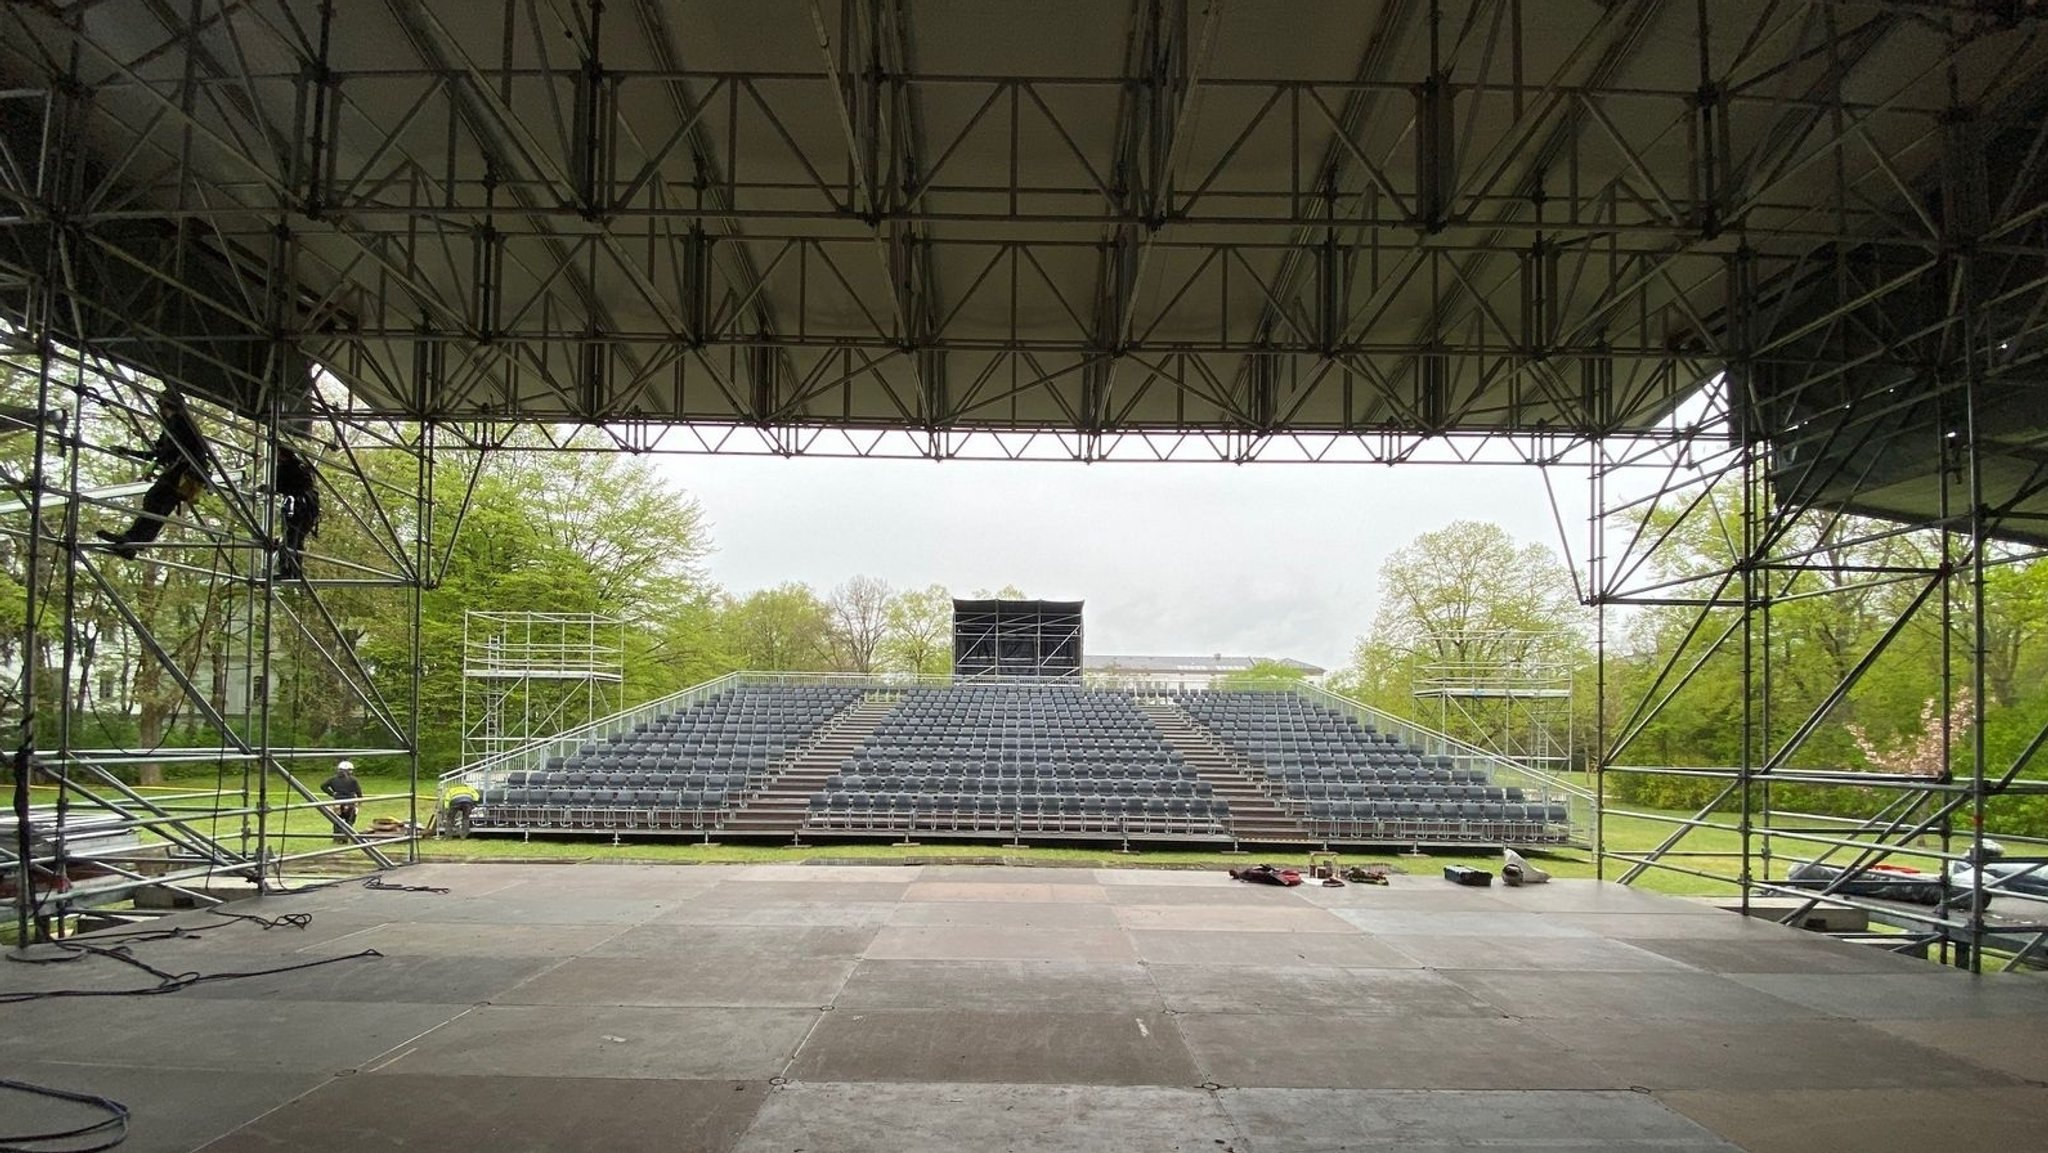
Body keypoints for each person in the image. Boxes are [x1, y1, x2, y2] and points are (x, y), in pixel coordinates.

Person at [96, 389, 212, 558]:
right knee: (158, 507)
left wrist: (152, 465)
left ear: (164, 405)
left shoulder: (179, 422)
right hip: (182, 472)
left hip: (184, 472)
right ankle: (133, 543)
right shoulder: (173, 426)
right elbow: (160, 452)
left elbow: (169, 451)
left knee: (154, 501)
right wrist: (130, 452)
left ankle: (132, 541)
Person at [269, 446, 321, 580]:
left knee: (290, 537)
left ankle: (286, 569)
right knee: (297, 540)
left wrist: (267, 487)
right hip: (310, 506)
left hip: (296, 505)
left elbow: (278, 485)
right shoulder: (302, 466)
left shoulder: (286, 467)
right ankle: (295, 570)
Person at [321, 760, 364, 840]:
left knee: (337, 821)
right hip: (350, 802)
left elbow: (323, 786)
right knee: (349, 820)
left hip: (338, 802)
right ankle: (346, 837)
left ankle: (337, 838)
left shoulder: (333, 779)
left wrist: (332, 793)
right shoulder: (353, 780)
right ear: (348, 770)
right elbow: (358, 791)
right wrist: (360, 800)